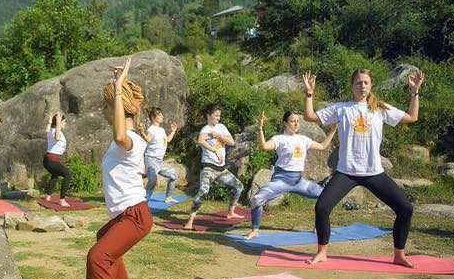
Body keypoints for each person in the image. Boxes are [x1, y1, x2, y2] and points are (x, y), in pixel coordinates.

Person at [303, 68, 425, 267]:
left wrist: (415, 92)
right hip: (346, 172)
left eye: (366, 82)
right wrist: (309, 94)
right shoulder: (341, 108)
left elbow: (412, 117)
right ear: (352, 86)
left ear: (371, 86)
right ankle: (322, 252)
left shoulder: (380, 108)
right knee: (322, 207)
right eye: (358, 82)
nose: (362, 86)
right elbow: (310, 116)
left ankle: (398, 255)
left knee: (405, 209)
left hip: (373, 172)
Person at [85, 57, 152, 279]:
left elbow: (120, 134)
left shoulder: (132, 141)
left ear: (119, 110)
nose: (103, 113)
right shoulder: (124, 143)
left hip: (135, 216)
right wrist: (121, 85)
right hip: (125, 215)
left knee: (98, 257)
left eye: (108, 107)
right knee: (104, 244)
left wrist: (119, 86)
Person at [244, 110, 337, 239]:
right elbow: (264, 146)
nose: (296, 124)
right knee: (257, 199)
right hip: (281, 180)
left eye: (298, 121)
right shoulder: (279, 139)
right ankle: (255, 230)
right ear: (285, 123)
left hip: (298, 181)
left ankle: (319, 225)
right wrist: (260, 129)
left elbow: (322, 146)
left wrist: (332, 130)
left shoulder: (303, 139)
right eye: (293, 121)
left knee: (325, 196)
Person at [182, 105, 244, 230]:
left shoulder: (221, 127)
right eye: (215, 115)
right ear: (208, 116)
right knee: (203, 191)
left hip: (221, 170)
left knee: (239, 187)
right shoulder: (206, 129)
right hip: (208, 169)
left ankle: (231, 212)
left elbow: (232, 142)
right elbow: (200, 140)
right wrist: (214, 150)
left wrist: (219, 136)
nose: (218, 118)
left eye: (219, 115)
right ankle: (190, 221)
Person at [142, 107, 179, 202]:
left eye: (162, 114)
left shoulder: (161, 130)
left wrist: (173, 131)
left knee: (174, 176)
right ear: (154, 118)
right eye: (159, 115)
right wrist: (142, 132)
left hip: (160, 161)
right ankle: (144, 202)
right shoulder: (152, 129)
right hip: (151, 160)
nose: (162, 116)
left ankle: (168, 197)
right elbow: (148, 139)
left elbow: (167, 140)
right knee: (152, 181)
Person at [43, 111, 72, 207]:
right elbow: (57, 137)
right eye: (64, 122)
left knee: (55, 175)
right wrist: (59, 122)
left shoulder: (50, 130)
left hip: (48, 160)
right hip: (51, 160)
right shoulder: (56, 132)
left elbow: (46, 131)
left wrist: (50, 121)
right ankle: (62, 200)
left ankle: (48, 195)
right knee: (67, 174)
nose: (65, 124)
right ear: (59, 123)